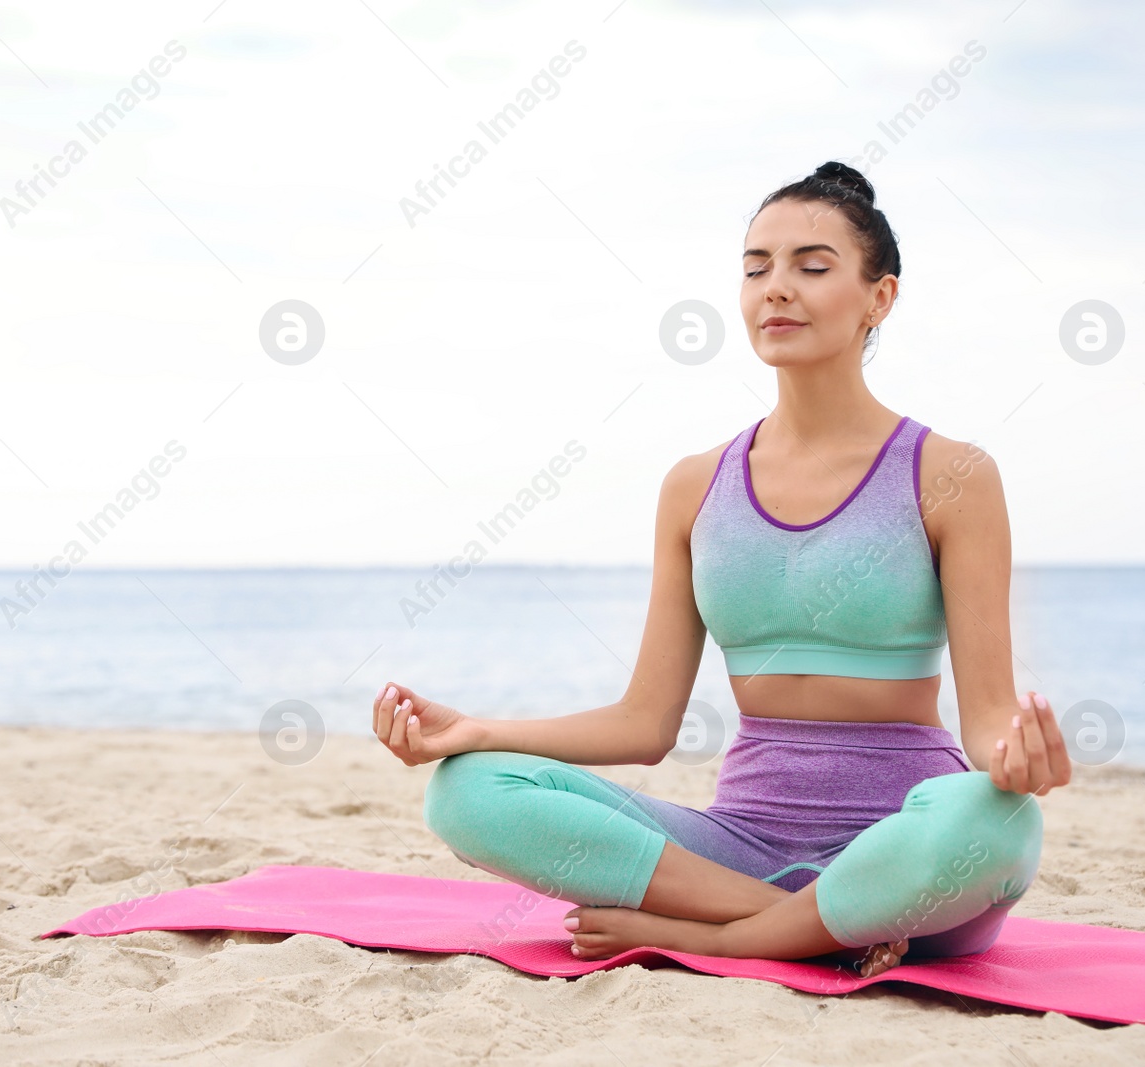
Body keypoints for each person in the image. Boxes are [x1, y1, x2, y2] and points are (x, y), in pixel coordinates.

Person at [371, 160, 1073, 979]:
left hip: (907, 846)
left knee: (997, 822)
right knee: (467, 790)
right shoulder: (696, 485)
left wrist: (1017, 757)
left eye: (812, 267)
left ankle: (728, 936)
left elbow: (988, 718)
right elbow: (645, 722)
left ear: (880, 297)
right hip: (739, 851)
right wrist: (478, 731)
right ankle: (799, 921)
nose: (776, 288)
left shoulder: (951, 474)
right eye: (755, 268)